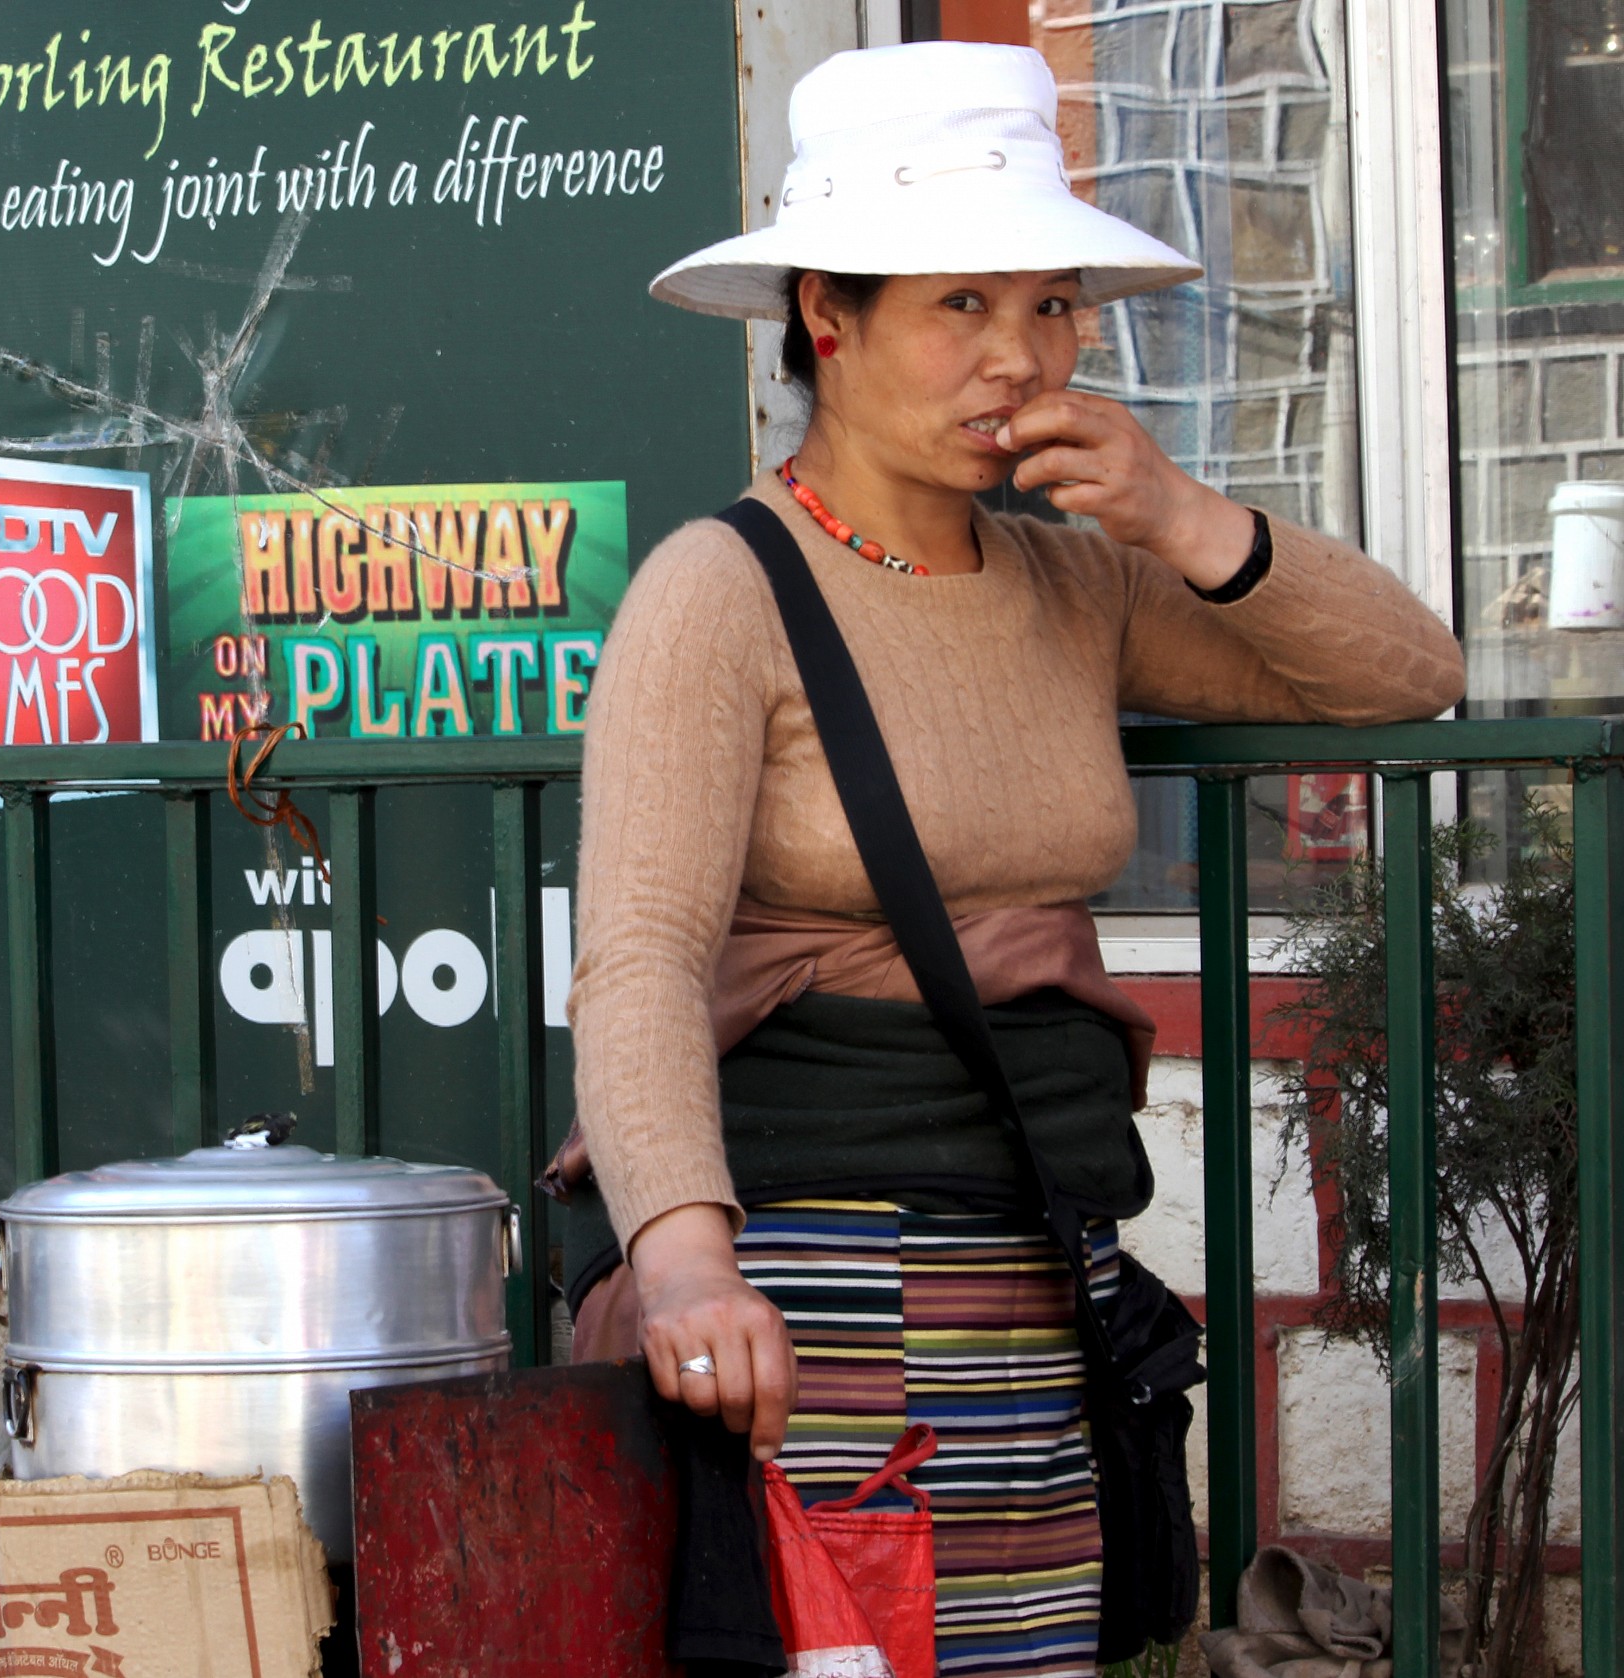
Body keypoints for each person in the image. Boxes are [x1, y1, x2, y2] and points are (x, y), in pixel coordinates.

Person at [560, 40, 1464, 1678]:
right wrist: (684, 1250)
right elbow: (636, 950)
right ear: (827, 318)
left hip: (1042, 1267)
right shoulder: (722, 590)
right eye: (959, 306)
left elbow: (1413, 673)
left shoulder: (1075, 583)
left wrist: (1186, 520)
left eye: (1048, 305)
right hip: (814, 1294)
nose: (1018, 356)